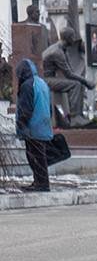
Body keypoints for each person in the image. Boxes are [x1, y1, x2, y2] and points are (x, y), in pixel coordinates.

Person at [41, 27, 93, 128]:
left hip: (51, 78)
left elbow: (70, 71)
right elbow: (68, 74)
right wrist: (86, 82)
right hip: (45, 80)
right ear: (68, 38)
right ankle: (74, 118)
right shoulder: (57, 52)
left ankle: (79, 115)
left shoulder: (63, 49)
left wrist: (83, 81)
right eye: (73, 37)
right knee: (75, 84)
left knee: (79, 83)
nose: (74, 40)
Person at [15, 59, 53, 193]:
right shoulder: (42, 83)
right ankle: (40, 182)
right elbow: (50, 107)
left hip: (33, 127)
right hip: (44, 125)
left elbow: (25, 108)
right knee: (40, 156)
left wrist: (22, 125)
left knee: (35, 157)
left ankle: (42, 184)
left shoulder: (27, 85)